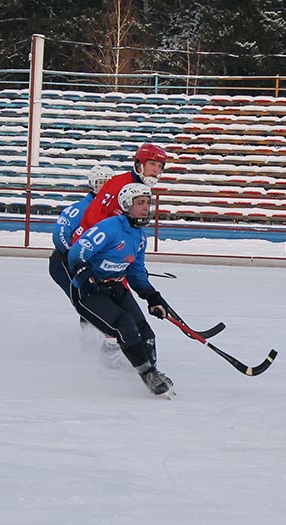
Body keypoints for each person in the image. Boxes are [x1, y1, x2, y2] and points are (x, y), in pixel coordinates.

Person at [68, 183, 174, 396]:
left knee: (145, 331)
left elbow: (135, 274)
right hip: (89, 292)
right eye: (140, 203)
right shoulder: (109, 228)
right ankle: (148, 375)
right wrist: (83, 272)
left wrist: (152, 297)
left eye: (148, 203)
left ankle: (152, 371)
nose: (146, 208)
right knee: (124, 325)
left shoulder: (140, 237)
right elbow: (77, 252)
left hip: (115, 288)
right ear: (127, 205)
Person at [73, 143, 167, 242]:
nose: (156, 170)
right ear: (139, 164)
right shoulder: (118, 184)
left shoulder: (141, 188)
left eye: (160, 166)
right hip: (92, 243)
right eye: (152, 164)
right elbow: (94, 216)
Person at [49, 164, 115, 301]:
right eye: (100, 183)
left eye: (109, 183)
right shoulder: (80, 208)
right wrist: (74, 257)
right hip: (65, 263)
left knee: (102, 300)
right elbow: (59, 233)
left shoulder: (112, 212)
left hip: (93, 265)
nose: (104, 187)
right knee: (85, 299)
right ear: (92, 184)